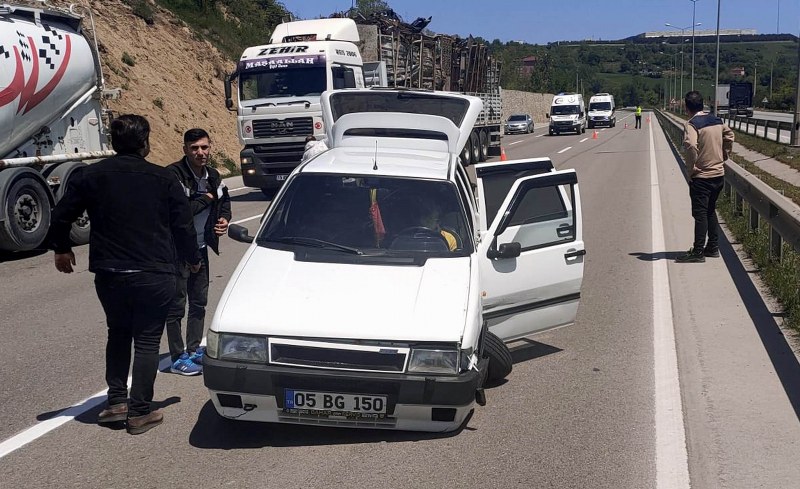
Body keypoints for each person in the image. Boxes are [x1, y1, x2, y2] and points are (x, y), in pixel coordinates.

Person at [48, 114, 201, 435]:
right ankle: (140, 411)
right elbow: (183, 225)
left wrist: (62, 249)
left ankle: (116, 403)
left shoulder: (91, 176)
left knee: (117, 333)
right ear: (145, 142)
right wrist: (191, 259)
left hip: (111, 273)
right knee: (146, 341)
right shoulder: (163, 179)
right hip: (154, 272)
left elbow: (61, 216)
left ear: (114, 143)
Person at [165, 128, 232, 375]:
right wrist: (208, 197)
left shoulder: (214, 176)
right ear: (185, 150)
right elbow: (182, 212)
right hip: (178, 249)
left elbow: (225, 201)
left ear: (210, 147)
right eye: (194, 148)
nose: (200, 153)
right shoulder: (174, 175)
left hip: (201, 247)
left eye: (204, 147)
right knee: (176, 305)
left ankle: (193, 349)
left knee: (199, 301)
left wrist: (224, 219)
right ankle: (176, 356)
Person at [676, 90, 735, 263]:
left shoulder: (692, 124)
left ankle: (698, 251)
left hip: (702, 176)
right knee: (710, 211)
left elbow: (691, 145)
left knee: (700, 213)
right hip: (718, 175)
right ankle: (713, 247)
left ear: (687, 108)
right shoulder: (716, 120)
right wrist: (725, 154)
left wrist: (691, 168)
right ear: (702, 105)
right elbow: (729, 136)